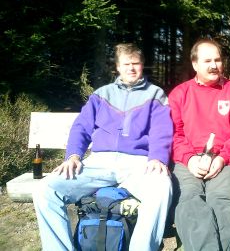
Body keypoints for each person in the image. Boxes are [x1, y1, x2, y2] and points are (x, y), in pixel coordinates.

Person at [32, 43, 173, 251]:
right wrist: (73, 156)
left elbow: (162, 131)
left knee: (161, 188)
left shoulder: (155, 95)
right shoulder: (101, 94)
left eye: (136, 63)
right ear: (117, 67)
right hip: (98, 162)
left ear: (142, 65)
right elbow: (81, 127)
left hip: (137, 164)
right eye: (126, 64)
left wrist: (158, 157)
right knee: (45, 189)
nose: (131, 68)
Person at [168, 38, 230, 251]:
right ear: (195, 64)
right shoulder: (180, 94)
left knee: (221, 201)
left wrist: (222, 158)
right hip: (187, 161)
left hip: (225, 160)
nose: (214, 65)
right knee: (189, 199)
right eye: (207, 61)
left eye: (217, 60)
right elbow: (175, 134)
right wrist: (190, 158)